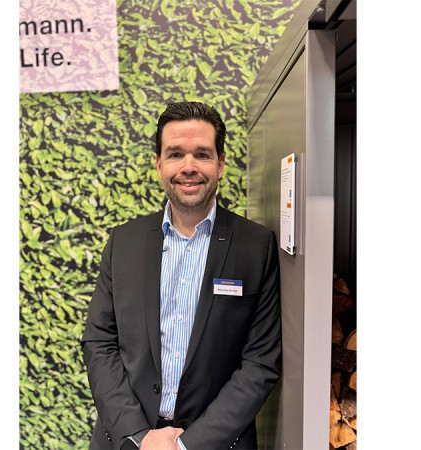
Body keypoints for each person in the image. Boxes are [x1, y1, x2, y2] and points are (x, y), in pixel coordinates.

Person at [81, 101, 281, 450]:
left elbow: (260, 362)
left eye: (202, 154)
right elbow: (99, 343)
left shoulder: (256, 246)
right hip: (127, 441)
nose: (188, 167)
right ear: (159, 164)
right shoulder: (123, 243)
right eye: (175, 154)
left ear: (220, 163)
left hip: (216, 444)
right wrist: (140, 436)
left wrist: (189, 444)